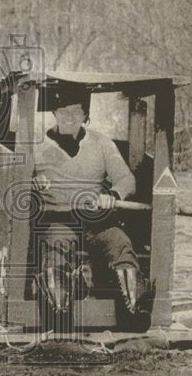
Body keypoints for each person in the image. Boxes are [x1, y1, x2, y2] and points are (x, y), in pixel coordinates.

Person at [31, 84, 150, 330]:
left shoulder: (102, 143)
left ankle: (134, 318)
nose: (70, 118)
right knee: (55, 249)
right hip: (59, 219)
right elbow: (18, 180)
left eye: (76, 112)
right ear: (55, 113)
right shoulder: (36, 145)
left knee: (120, 245)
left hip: (97, 220)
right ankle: (58, 321)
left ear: (85, 115)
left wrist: (113, 194)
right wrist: (32, 182)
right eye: (64, 112)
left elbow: (127, 179)